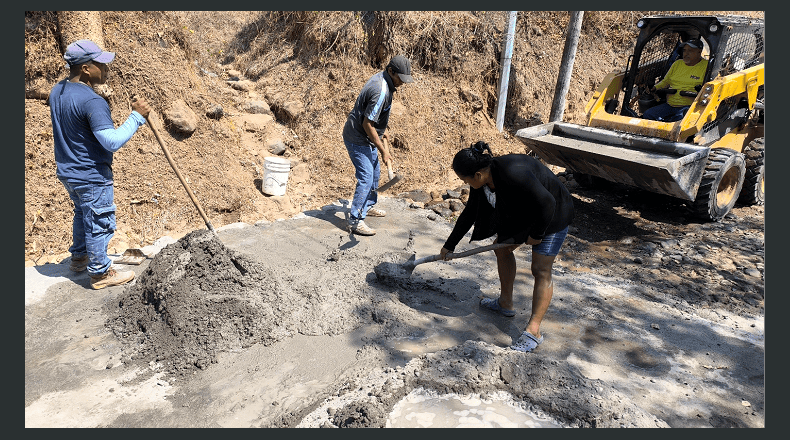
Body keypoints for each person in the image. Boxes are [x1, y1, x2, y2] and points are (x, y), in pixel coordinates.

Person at [440, 142, 574, 353]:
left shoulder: (513, 172)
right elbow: (469, 213)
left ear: (477, 174)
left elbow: (547, 203)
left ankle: (534, 331)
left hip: (554, 212)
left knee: (540, 269)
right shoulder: (482, 182)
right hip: (528, 213)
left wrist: (537, 235)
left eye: (464, 179)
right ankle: (505, 303)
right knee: (501, 248)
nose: (464, 183)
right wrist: (449, 245)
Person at [49, 39, 151, 289]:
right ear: (85, 68)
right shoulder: (93, 101)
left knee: (82, 213)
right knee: (99, 220)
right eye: (101, 64)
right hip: (91, 173)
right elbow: (111, 141)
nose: (107, 69)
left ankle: (79, 258)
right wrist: (136, 117)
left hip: (68, 171)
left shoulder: (57, 91)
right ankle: (100, 273)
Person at [342, 55, 414, 236]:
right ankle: (355, 220)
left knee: (375, 173)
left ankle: (367, 205)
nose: (402, 83)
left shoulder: (384, 80)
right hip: (357, 137)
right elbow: (367, 123)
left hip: (367, 134)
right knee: (366, 177)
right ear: (391, 71)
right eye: (400, 79)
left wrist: (382, 130)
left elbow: (374, 116)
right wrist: (383, 150)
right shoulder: (380, 90)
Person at [643, 38, 708, 122]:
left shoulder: (706, 66)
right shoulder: (677, 64)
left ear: (699, 52)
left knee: (678, 120)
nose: (686, 54)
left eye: (690, 51)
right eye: (684, 50)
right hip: (670, 105)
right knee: (648, 114)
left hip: (690, 106)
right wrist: (655, 88)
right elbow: (666, 81)